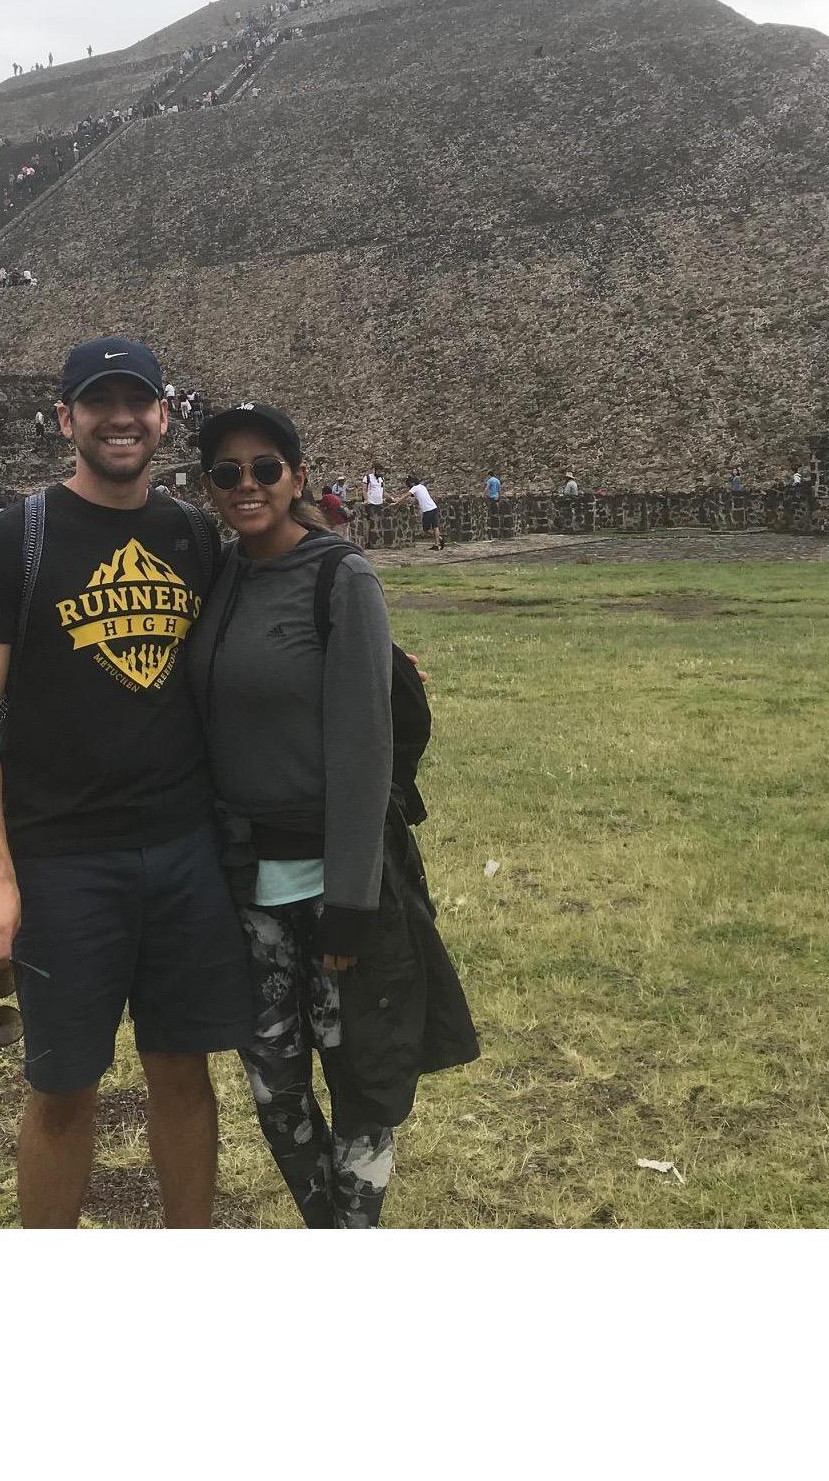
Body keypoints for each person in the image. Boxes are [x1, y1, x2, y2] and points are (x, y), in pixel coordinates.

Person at [0, 337, 253, 1229]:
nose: (119, 418)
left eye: (137, 402)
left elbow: (276, 619)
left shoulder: (194, 536)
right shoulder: (13, 542)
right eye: (97, 402)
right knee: (64, 1089)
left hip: (186, 851)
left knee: (184, 1073)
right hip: (64, 861)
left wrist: (376, 661)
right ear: (66, 418)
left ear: (164, 416)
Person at [188, 401, 475, 1229]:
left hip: (336, 885)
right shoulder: (221, 574)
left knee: (363, 1086)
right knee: (275, 1091)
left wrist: (353, 899)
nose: (247, 485)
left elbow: (364, 743)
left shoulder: (339, 575)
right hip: (250, 886)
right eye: (227, 472)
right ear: (209, 486)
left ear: (298, 477)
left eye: (265, 469)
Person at [405, 475, 443, 551]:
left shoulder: (415, 488)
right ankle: (437, 543)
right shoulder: (422, 487)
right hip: (434, 507)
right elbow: (419, 498)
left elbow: (405, 495)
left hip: (427, 510)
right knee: (435, 527)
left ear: (411, 483)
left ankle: (439, 538)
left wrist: (397, 502)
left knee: (426, 529)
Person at [360, 468, 386, 549]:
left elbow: (382, 490)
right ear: (374, 470)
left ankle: (377, 541)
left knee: (378, 523)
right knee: (370, 522)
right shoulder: (367, 478)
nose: (379, 473)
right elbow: (364, 490)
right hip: (371, 503)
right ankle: (368, 542)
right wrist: (366, 499)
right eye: (378, 471)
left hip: (379, 503)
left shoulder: (381, 478)